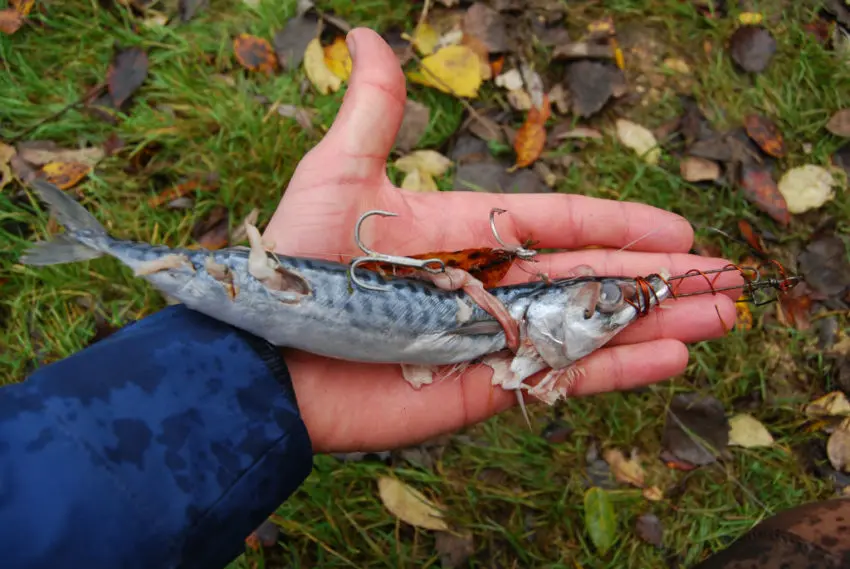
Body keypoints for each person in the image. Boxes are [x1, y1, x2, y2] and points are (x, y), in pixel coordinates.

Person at [3, 28, 844, 569]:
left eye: (599, 313)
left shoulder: (497, 334)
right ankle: (91, 237)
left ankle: (94, 241)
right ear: (540, 315)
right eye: (596, 309)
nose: (605, 318)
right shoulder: (489, 323)